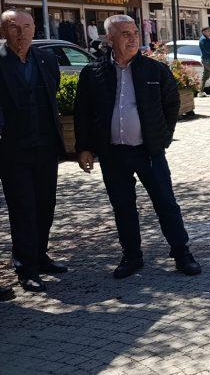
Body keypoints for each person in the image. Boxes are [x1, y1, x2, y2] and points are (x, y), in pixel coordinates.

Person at [74, 15, 202, 279]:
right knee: (123, 207)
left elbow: (171, 104)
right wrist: (84, 147)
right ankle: (131, 256)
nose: (133, 38)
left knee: (165, 203)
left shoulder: (155, 70)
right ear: (110, 38)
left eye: (134, 33)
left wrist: (162, 137)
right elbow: (82, 112)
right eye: (125, 34)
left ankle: (182, 253)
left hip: (149, 151)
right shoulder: (93, 72)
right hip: (112, 153)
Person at [0, 9, 67, 293]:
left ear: (34, 28)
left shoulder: (46, 59)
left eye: (26, 26)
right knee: (23, 209)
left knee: (45, 206)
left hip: (45, 147)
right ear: (3, 31)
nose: (22, 33)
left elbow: (52, 94)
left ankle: (40, 256)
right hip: (12, 151)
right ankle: (25, 268)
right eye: (14, 27)